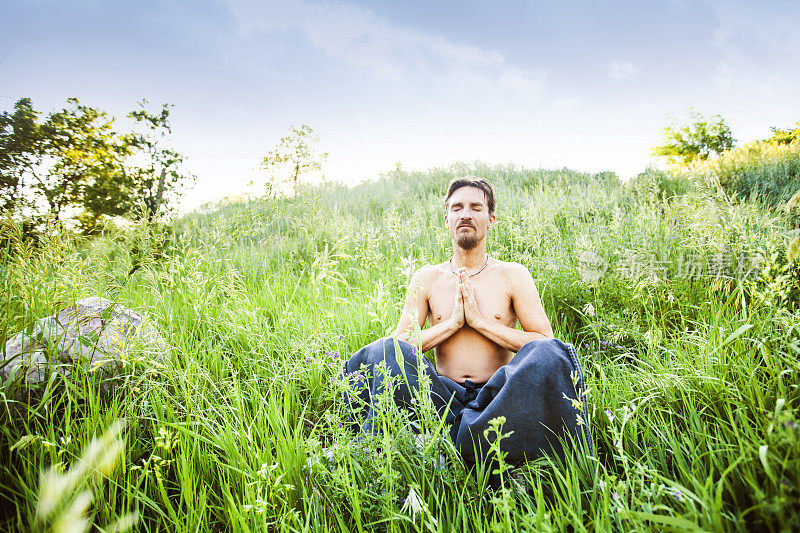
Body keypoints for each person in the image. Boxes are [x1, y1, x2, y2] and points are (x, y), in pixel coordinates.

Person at [342, 176, 593, 468]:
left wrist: (480, 323)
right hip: (439, 397)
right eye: (457, 207)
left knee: (552, 354)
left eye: (476, 207)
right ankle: (425, 447)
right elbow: (401, 345)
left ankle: (491, 452)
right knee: (384, 350)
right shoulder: (427, 277)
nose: (465, 214)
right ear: (446, 218)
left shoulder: (513, 274)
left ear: (490, 219)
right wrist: (451, 324)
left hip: (499, 399)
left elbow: (543, 342)